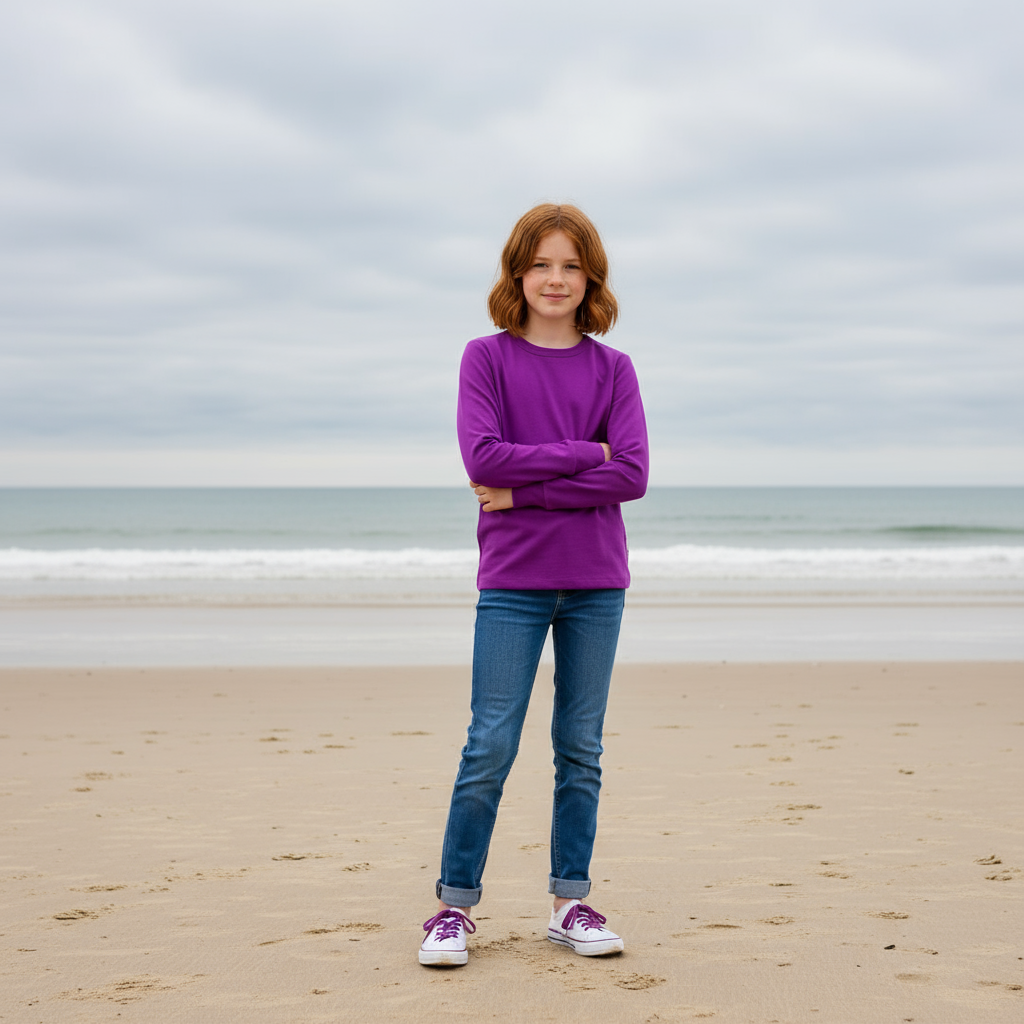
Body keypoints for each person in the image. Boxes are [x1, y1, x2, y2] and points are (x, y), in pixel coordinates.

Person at [419, 203, 649, 967]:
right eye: (543, 264)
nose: (557, 279)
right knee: (490, 742)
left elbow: (634, 474)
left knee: (580, 747)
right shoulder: (484, 359)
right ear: (519, 272)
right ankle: (453, 909)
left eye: (572, 266)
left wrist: (530, 490)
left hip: (595, 581)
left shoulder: (613, 368)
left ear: (591, 279)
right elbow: (484, 459)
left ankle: (569, 902)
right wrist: (586, 454)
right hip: (514, 580)